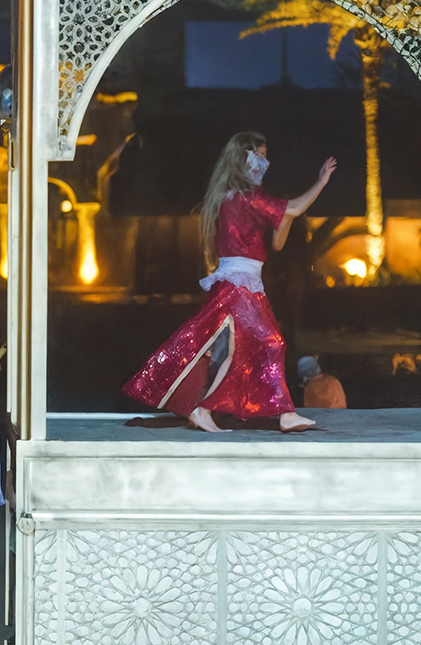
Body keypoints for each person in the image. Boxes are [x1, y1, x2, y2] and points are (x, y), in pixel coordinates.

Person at [124, 132, 336, 432]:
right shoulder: (245, 197)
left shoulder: (235, 197)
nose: (265, 162)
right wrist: (321, 182)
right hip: (240, 284)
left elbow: (277, 242)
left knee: (244, 350)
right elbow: (295, 209)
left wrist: (283, 213)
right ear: (244, 158)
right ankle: (277, 414)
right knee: (270, 342)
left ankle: (212, 410)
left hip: (243, 282)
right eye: (259, 156)